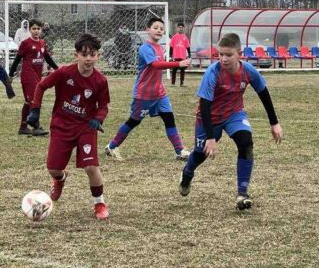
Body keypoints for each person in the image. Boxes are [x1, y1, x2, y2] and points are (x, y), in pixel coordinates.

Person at [178, 33, 283, 211]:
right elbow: (205, 105)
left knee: (246, 143)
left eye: (228, 55)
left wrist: (274, 123)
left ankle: (242, 193)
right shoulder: (213, 72)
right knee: (200, 153)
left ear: (239, 54)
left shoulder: (248, 71)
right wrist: (211, 138)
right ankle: (187, 173)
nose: (223, 59)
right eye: (220, 54)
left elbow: (264, 93)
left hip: (234, 114)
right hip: (208, 118)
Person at [25, 33, 110, 220]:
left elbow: (104, 105)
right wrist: (35, 110)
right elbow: (41, 86)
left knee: (91, 166)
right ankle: (60, 178)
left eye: (92, 54)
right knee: (53, 168)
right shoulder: (64, 72)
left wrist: (99, 118)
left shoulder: (100, 81)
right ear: (76, 55)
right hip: (61, 126)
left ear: (98, 56)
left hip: (85, 127)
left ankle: (100, 203)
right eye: (84, 54)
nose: (88, 59)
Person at [105, 17, 191, 161]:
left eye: (161, 29)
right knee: (134, 121)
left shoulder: (160, 47)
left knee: (169, 118)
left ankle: (180, 151)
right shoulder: (145, 48)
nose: (159, 30)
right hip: (144, 94)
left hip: (159, 93)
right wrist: (178, 64)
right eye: (155, 27)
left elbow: (159, 66)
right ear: (147, 30)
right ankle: (111, 147)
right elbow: (155, 65)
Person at [10, 18, 58, 136]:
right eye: (33, 29)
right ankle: (36, 127)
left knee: (28, 101)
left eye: (38, 29)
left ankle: (23, 127)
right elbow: (17, 59)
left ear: (41, 30)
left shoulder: (42, 43)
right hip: (27, 75)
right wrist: (10, 74)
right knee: (33, 100)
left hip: (37, 75)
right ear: (30, 29)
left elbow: (47, 57)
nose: (36, 31)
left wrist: (58, 69)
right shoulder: (25, 43)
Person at [169, 22, 191, 86]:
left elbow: (188, 47)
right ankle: (173, 83)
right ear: (177, 28)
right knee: (174, 70)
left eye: (182, 27)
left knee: (182, 70)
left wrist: (189, 54)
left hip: (183, 56)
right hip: (176, 56)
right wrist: (170, 55)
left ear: (183, 28)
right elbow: (171, 46)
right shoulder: (174, 37)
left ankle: (182, 83)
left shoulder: (185, 37)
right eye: (179, 27)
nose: (180, 29)